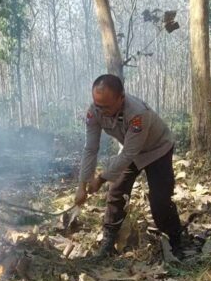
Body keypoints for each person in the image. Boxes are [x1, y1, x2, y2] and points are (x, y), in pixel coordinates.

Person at [75, 74, 182, 257]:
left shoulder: (138, 113)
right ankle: (109, 240)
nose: (100, 110)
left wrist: (100, 179)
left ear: (121, 98)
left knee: (159, 199)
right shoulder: (94, 112)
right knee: (116, 192)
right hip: (131, 149)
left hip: (157, 150)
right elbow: (91, 148)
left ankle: (175, 240)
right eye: (97, 105)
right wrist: (82, 185)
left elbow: (128, 154)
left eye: (106, 107)